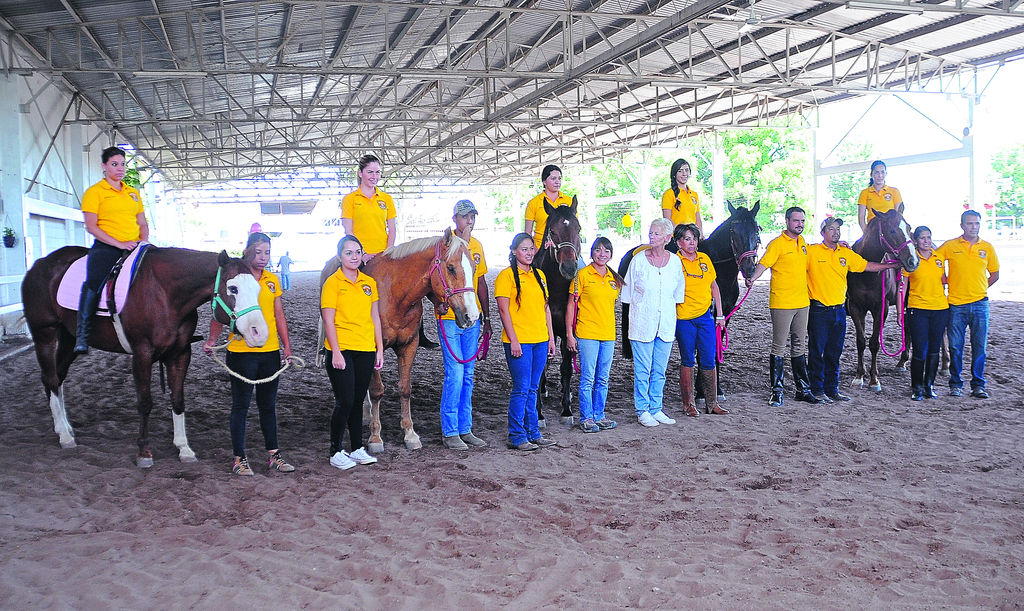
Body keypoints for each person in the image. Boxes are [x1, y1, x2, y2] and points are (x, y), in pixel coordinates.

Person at [204, 232, 295, 476]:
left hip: (269, 351)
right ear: (247, 252)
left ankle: (274, 455)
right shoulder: (236, 277)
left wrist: (286, 347)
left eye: (267, 252)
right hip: (240, 351)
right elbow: (220, 310)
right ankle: (239, 459)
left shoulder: (272, 280)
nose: (263, 257)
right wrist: (212, 340)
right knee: (241, 406)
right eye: (258, 252)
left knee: (268, 405)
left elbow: (278, 315)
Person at [806, 217, 897, 403]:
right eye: (831, 229)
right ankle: (817, 389)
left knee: (834, 352)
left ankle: (832, 389)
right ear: (823, 232)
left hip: (839, 310)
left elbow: (867, 266)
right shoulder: (811, 251)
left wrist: (892, 265)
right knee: (817, 351)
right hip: (819, 310)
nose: (836, 232)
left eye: (838, 229)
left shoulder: (846, 253)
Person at [74, 146, 149, 354]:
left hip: (135, 246)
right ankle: (82, 335)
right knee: (93, 283)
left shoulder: (133, 193)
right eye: (114, 164)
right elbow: (92, 226)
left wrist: (143, 242)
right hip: (107, 247)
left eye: (123, 164)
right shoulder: (95, 192)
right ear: (104, 166)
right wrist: (119, 244)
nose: (120, 168)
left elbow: (142, 223)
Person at [321, 235, 385, 470]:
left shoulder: (369, 283)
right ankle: (335, 450)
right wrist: (336, 352)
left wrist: (379, 348)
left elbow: (374, 317)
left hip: (365, 348)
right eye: (348, 253)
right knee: (345, 401)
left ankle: (357, 448)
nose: (354, 256)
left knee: (358, 401)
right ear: (340, 257)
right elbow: (328, 320)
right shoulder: (333, 283)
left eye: (358, 252)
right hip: (342, 349)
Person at [745, 206, 817, 406]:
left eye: (802, 221)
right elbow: (764, 263)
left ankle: (803, 389)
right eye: (796, 220)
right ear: (787, 221)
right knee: (779, 346)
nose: (800, 224)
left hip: (802, 303)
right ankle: (777, 391)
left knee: (799, 345)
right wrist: (753, 278)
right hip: (782, 303)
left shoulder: (803, 243)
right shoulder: (777, 244)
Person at [495, 233, 558, 451]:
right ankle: (516, 435)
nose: (529, 253)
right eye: (524, 249)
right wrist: (513, 340)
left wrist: (551, 337)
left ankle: (533, 432)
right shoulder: (506, 276)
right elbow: (503, 310)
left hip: (540, 339)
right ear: (514, 251)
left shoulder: (539, 275)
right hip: (520, 341)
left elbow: (546, 308)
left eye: (531, 248)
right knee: (521, 388)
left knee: (533, 388)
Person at [437, 200, 492, 450]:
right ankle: (450, 430)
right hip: (450, 317)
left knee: (468, 374)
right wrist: (438, 303)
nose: (469, 220)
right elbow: (434, 279)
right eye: (464, 216)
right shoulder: (444, 244)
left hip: (473, 316)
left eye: (472, 216)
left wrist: (487, 317)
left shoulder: (477, 246)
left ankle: (464, 428)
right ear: (455, 219)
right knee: (455, 373)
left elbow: (480, 282)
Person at [621, 218, 686, 427]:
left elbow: (677, 294)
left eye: (657, 233)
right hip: (642, 323)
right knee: (642, 370)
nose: (652, 236)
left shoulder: (675, 262)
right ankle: (642, 409)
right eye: (651, 232)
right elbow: (627, 294)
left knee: (659, 370)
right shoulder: (638, 260)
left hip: (665, 323)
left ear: (667, 238)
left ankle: (656, 407)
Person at [935, 210, 1000, 399]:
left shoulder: (987, 247)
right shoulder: (950, 246)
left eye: (977, 223)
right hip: (956, 305)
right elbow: (935, 260)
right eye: (970, 223)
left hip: (980, 304)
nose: (974, 227)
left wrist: (980, 287)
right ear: (962, 225)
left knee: (979, 347)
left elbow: (995, 274)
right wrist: (945, 279)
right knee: (956, 347)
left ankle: (978, 385)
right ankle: (955, 384)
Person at [566, 237, 622, 433]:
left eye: (606, 250)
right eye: (598, 250)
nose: (602, 254)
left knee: (603, 378)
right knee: (588, 378)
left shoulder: (614, 278)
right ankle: (587, 417)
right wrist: (569, 334)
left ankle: (599, 414)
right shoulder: (581, 275)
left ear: (611, 254)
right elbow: (571, 304)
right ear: (592, 252)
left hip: (608, 334)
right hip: (587, 332)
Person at [673, 223, 726, 417]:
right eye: (687, 239)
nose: (692, 243)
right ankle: (688, 404)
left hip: (705, 317)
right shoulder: (674, 262)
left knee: (709, 357)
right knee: (687, 359)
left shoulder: (704, 259)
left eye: (694, 239)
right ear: (678, 242)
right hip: (684, 318)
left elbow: (714, 286)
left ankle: (712, 403)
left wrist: (719, 314)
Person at [904, 226, 949, 401]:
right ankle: (917, 387)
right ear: (916, 240)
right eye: (922, 238)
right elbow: (903, 286)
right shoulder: (912, 260)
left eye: (928, 237)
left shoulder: (939, 258)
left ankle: (929, 385)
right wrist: (901, 310)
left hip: (940, 309)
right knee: (919, 350)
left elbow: (943, 280)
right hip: (918, 308)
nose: (926, 241)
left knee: (934, 350)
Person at [340, 154, 396, 264]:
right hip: (358, 256)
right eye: (370, 172)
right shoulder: (349, 199)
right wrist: (362, 254)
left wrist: (388, 253)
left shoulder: (387, 199)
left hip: (383, 255)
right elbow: (348, 231)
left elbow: (392, 229)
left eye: (377, 172)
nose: (374, 176)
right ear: (360, 173)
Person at [524, 165, 573, 250]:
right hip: (540, 248)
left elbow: (573, 228)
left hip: (564, 249)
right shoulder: (533, 203)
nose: (557, 182)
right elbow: (527, 233)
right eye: (553, 178)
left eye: (559, 178)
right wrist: (534, 250)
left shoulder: (569, 201)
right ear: (544, 181)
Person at [857, 160, 903, 233]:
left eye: (882, 172)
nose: (880, 175)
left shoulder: (894, 191)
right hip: (872, 230)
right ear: (871, 174)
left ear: (886, 174)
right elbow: (861, 217)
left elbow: (898, 215)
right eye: (877, 172)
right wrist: (867, 233)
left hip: (890, 231)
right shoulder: (865, 193)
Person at [662, 159, 704, 235]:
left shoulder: (694, 195)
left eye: (686, 170)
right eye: (680, 171)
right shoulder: (668, 194)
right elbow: (667, 220)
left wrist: (700, 234)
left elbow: (697, 219)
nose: (684, 174)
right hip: (676, 237)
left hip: (692, 237)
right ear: (674, 174)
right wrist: (682, 235)